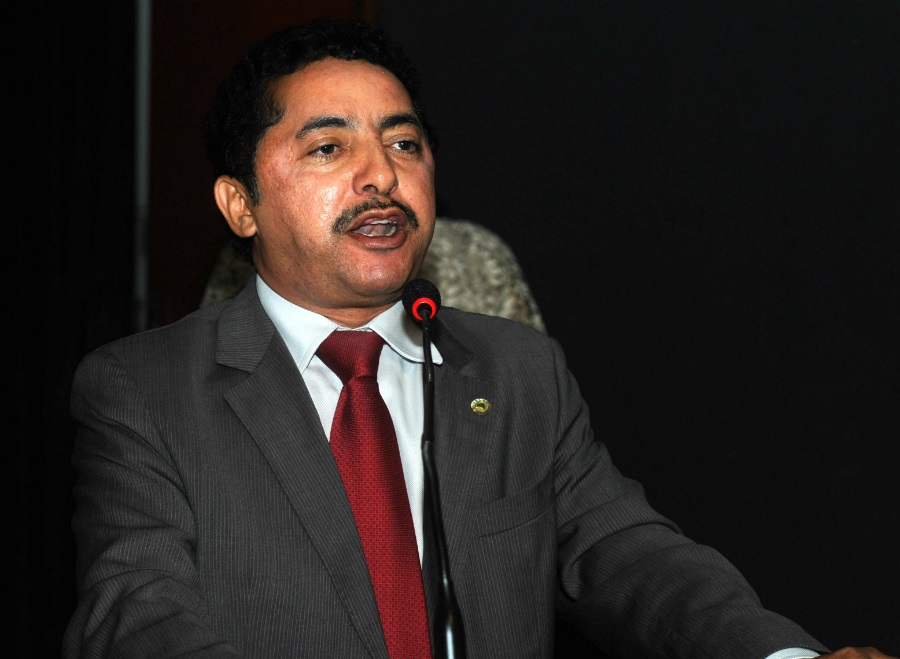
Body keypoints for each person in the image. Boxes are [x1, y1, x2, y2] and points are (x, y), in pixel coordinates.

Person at [63, 17, 893, 659]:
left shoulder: (516, 370)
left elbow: (627, 555)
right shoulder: (146, 388)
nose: (382, 174)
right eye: (329, 147)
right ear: (240, 204)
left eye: (404, 142)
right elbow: (137, 610)